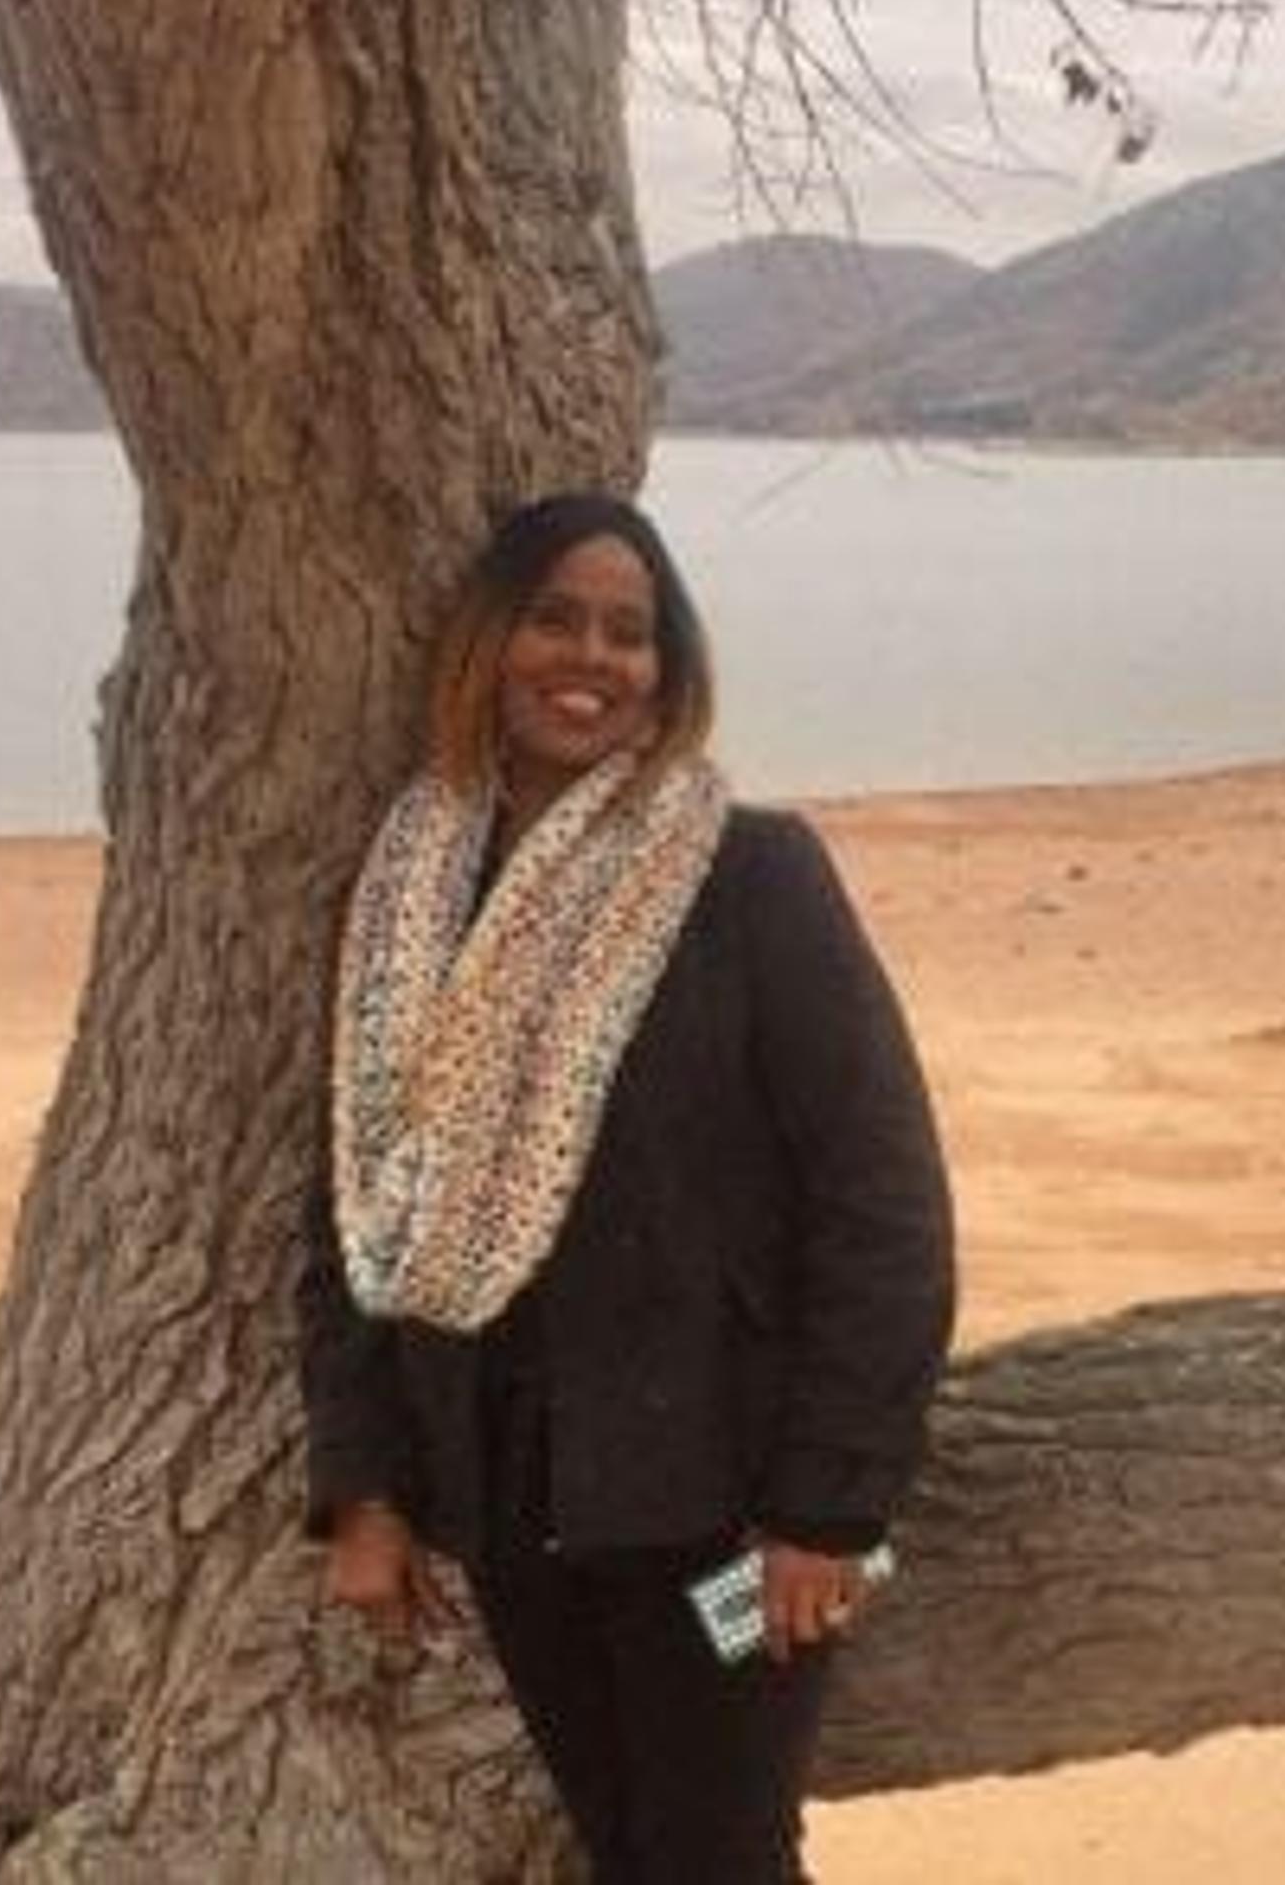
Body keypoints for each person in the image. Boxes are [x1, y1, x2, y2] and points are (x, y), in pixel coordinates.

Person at [297, 490, 956, 1881]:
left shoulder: (748, 874)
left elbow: (882, 1205)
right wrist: (368, 1490)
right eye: (555, 620)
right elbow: (359, 1203)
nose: (591, 659)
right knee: (625, 1848)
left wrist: (828, 1513)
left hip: (727, 1508)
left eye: (630, 634)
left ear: (672, 670)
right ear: (489, 639)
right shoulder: (413, 889)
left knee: (717, 1859)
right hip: (516, 1504)